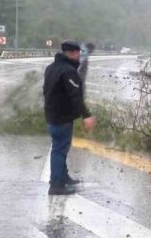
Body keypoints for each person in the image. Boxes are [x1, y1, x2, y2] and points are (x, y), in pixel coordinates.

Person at [43, 41, 96, 195]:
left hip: (52, 115)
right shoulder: (68, 71)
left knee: (61, 148)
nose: (79, 56)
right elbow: (75, 96)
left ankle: (63, 177)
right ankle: (56, 185)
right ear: (72, 53)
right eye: (78, 53)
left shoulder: (50, 68)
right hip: (61, 117)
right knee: (59, 150)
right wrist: (86, 115)